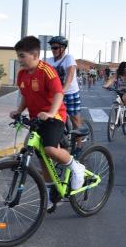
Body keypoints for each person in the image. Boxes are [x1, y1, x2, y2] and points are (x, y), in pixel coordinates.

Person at [9, 36, 85, 193]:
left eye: (22, 56)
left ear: (35, 55)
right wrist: (18, 110)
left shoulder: (46, 71)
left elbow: (58, 93)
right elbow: (26, 95)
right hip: (36, 118)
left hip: (54, 116)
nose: (19, 60)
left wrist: (51, 112)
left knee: (50, 149)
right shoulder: (22, 74)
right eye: (18, 56)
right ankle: (51, 194)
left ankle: (77, 168)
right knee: (43, 157)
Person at [46, 36, 83, 131]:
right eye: (52, 48)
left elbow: (70, 76)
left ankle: (78, 144)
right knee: (52, 117)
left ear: (63, 48)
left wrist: (63, 91)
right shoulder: (49, 61)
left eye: (55, 48)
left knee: (74, 119)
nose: (53, 50)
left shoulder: (69, 58)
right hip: (55, 94)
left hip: (70, 93)